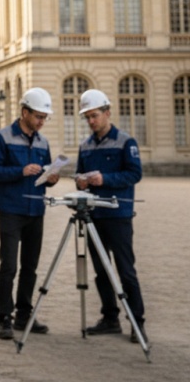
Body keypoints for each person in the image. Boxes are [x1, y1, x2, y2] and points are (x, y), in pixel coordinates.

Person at [0, 87, 60, 339]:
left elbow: (45, 175)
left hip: (36, 210)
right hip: (10, 210)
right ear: (24, 112)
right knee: (9, 265)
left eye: (44, 118)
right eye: (38, 116)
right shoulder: (2, 138)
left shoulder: (43, 141)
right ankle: (4, 318)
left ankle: (24, 315)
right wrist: (20, 171)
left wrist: (52, 178)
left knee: (30, 266)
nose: (41, 122)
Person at [75, 89, 146, 343]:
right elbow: (78, 175)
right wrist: (81, 182)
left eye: (94, 116)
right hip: (94, 216)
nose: (91, 121)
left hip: (119, 216)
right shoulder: (85, 146)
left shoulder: (126, 142)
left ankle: (137, 322)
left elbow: (134, 174)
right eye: (87, 118)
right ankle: (110, 318)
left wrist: (105, 178)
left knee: (126, 271)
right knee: (101, 271)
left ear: (107, 113)